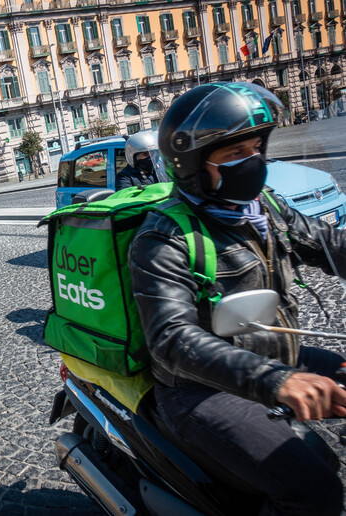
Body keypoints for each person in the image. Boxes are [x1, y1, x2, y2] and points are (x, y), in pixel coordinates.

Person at [128, 82, 346, 515]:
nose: (253, 162)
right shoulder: (163, 238)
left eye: (255, 147)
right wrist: (276, 381)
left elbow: (327, 242)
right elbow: (173, 339)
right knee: (315, 490)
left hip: (276, 356)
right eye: (233, 154)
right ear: (191, 166)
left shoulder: (266, 209)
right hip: (200, 390)